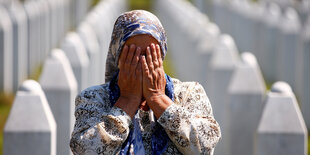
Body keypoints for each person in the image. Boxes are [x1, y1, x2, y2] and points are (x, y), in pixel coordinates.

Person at [70, 10, 221, 155]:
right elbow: (84, 150)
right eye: (133, 54)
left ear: (161, 56)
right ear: (118, 56)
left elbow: (204, 147)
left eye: (149, 54)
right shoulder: (93, 97)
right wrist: (127, 101)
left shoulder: (189, 93)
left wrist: (158, 98)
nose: (142, 62)